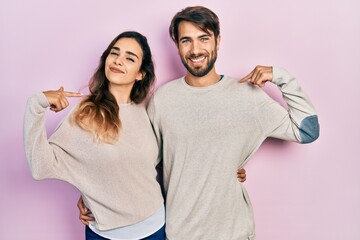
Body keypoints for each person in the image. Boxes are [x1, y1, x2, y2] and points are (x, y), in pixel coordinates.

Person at [144, 6, 319, 240]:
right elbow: (143, 165)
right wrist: (96, 196)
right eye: (186, 40)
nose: (195, 49)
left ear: (217, 40)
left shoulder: (247, 96)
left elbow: (307, 131)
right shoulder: (162, 99)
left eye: (204, 38)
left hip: (233, 232)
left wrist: (281, 77)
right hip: (180, 233)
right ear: (177, 46)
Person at [24, 31, 166, 240]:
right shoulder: (86, 113)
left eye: (130, 58)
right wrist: (36, 105)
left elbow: (141, 168)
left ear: (140, 74)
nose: (118, 60)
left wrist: (93, 188)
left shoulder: (144, 110)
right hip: (106, 235)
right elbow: (41, 167)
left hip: (156, 228)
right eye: (114, 53)